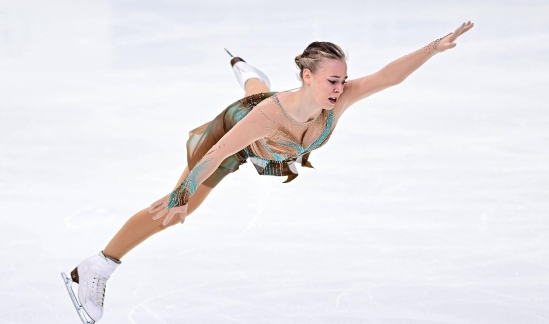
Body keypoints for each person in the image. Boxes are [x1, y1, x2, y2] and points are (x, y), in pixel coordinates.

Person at [62, 21, 474, 322]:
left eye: (343, 80)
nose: (340, 87)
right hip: (236, 137)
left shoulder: (338, 99)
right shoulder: (266, 116)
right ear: (308, 77)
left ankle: (248, 70)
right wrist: (181, 192)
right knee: (176, 211)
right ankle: (98, 264)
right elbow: (217, 151)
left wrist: (433, 47)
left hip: (269, 131)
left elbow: (388, 77)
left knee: (258, 91)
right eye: (332, 80)